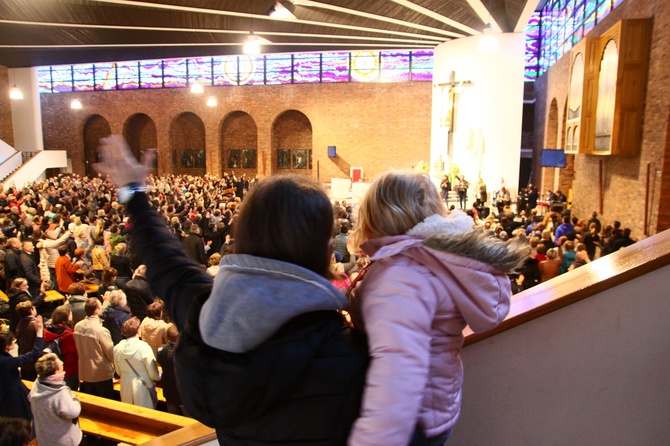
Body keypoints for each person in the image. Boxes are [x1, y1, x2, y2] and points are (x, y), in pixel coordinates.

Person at [94, 135, 368, 445]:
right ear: (328, 249)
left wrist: (134, 193)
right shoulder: (350, 356)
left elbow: (164, 258)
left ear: (239, 236)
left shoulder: (204, 312)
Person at [346, 171, 527, 445]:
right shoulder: (429, 261)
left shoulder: (403, 274)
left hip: (406, 422)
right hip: (432, 407)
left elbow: (399, 367)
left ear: (378, 215)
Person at [28, 353, 83, 446]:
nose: (62, 362)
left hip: (45, 436)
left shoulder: (37, 385)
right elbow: (73, 412)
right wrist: (75, 400)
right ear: (55, 372)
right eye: (60, 363)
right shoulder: (59, 392)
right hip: (63, 439)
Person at [0, 315, 44, 421]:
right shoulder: (8, 362)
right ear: (6, 346)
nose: (15, 343)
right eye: (13, 342)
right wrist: (39, 333)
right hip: (13, 395)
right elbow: (35, 353)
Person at [73, 298, 116, 400]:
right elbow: (110, 353)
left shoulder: (78, 326)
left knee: (92, 400)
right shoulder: (101, 330)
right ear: (96, 310)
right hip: (101, 372)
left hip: (85, 371)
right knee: (106, 403)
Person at [114, 317, 161, 409]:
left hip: (125, 384)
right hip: (142, 386)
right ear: (138, 330)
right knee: (145, 415)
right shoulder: (144, 347)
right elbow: (153, 374)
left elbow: (118, 372)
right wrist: (159, 375)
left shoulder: (117, 348)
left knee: (128, 412)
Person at [44, 305, 80, 391]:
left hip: (54, 367)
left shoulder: (47, 330)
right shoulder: (68, 334)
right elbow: (76, 352)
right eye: (70, 314)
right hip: (69, 368)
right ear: (66, 317)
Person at [156, 324, 185, 415]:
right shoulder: (186, 351)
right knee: (189, 423)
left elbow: (160, 361)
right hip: (184, 393)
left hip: (169, 391)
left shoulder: (161, 350)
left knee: (172, 416)